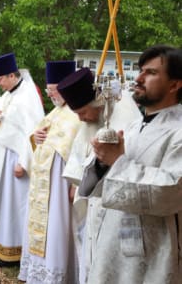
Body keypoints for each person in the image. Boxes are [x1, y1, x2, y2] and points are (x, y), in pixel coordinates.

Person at [77, 45, 182, 283]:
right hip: (113, 239)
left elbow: (172, 190)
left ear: (175, 85)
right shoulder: (135, 126)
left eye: (151, 73)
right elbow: (106, 182)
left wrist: (117, 161)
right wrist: (102, 163)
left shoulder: (178, 131)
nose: (140, 78)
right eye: (141, 71)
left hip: (155, 248)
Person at [56, 66, 142, 283]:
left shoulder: (125, 117)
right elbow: (80, 153)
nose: (82, 119)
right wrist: (77, 183)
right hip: (92, 203)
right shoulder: (93, 119)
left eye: (83, 112)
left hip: (115, 203)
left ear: (98, 104)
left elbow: (128, 158)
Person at [18, 61, 80, 283]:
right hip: (45, 185)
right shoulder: (55, 111)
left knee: (58, 229)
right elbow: (39, 141)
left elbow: (83, 150)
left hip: (62, 184)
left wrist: (77, 183)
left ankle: (58, 274)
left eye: (53, 89)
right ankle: (40, 273)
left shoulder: (78, 112)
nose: (50, 94)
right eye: (48, 89)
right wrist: (36, 139)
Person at [0, 53, 45, 267]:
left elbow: (33, 130)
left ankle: (15, 249)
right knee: (1, 200)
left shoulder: (28, 96)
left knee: (15, 204)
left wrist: (24, 162)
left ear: (11, 74)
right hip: (3, 155)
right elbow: (5, 122)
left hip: (17, 157)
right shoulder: (8, 95)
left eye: (0, 80)